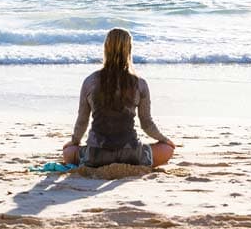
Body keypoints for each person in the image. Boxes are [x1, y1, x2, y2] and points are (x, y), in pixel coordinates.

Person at [64, 28, 175, 167]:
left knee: (68, 151)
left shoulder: (90, 81)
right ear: (129, 49)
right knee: (167, 149)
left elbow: (82, 121)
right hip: (131, 154)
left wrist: (74, 142)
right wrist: (164, 139)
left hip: (96, 155)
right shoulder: (139, 83)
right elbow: (146, 124)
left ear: (106, 48)